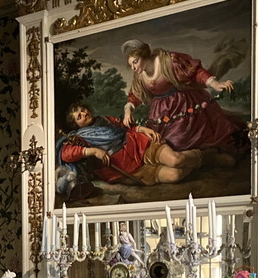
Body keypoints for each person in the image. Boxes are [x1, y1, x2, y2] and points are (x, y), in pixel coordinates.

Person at [121, 39, 243, 153]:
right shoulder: (139, 76)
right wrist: (128, 109)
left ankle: (205, 157)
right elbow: (136, 94)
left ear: (144, 55)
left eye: (135, 62)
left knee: (177, 143)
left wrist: (215, 84)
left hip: (181, 105)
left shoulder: (168, 61)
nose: (133, 67)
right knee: (158, 144)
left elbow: (195, 73)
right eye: (131, 65)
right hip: (159, 113)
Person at [58, 102, 204, 186]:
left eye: (83, 110)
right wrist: (93, 151)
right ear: (76, 124)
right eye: (79, 116)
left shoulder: (105, 119)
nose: (84, 114)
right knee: (174, 174)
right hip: (124, 166)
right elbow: (66, 154)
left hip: (139, 145)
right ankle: (198, 163)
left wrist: (141, 128)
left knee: (176, 160)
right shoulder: (79, 138)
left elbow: (125, 126)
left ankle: (202, 157)